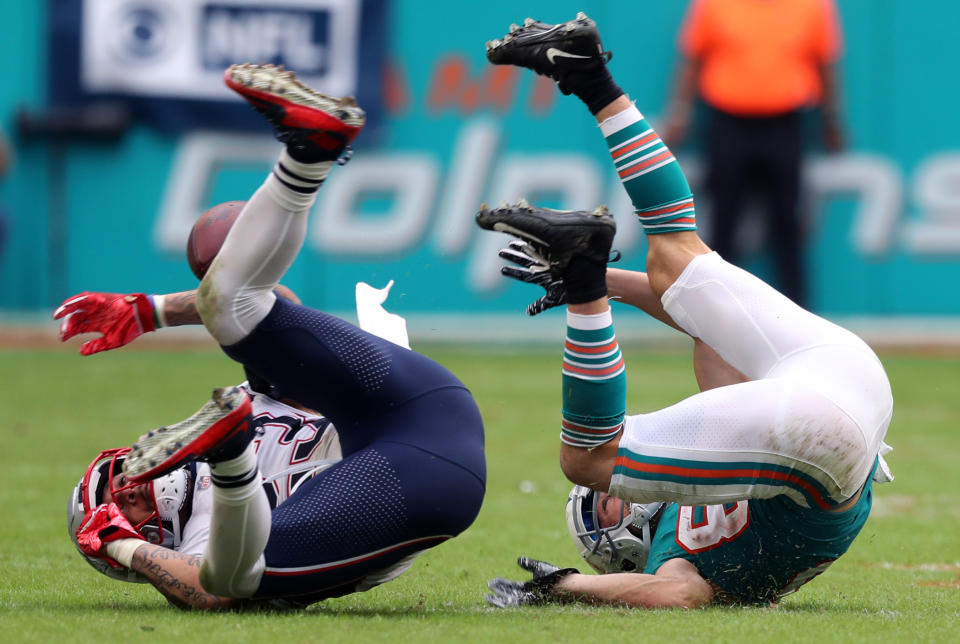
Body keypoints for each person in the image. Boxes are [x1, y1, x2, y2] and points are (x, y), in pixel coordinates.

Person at [477, 13, 891, 608]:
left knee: (674, 260)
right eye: (608, 509)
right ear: (625, 544)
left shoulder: (699, 509)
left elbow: (712, 336)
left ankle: (586, 76)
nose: (615, 498)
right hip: (840, 388)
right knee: (590, 459)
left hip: (840, 407)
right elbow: (676, 591)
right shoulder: (678, 545)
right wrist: (570, 586)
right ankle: (591, 90)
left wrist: (603, 284)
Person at [58, 63, 486, 610]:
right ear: (141, 534)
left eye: (124, 472)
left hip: (413, 402)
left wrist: (152, 311)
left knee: (231, 306)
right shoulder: (196, 544)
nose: (132, 484)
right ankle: (232, 458)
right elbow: (207, 594)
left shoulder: (243, 407)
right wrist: (124, 549)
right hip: (419, 479)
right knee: (234, 579)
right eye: (120, 503)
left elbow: (278, 307)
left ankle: (310, 149)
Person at [662, 0, 846, 307]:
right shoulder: (714, 5)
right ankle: (717, 312)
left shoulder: (812, 6)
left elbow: (825, 63)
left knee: (787, 223)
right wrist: (680, 113)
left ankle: (798, 314)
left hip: (785, 123)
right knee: (725, 221)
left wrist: (832, 119)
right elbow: (692, 59)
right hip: (728, 121)